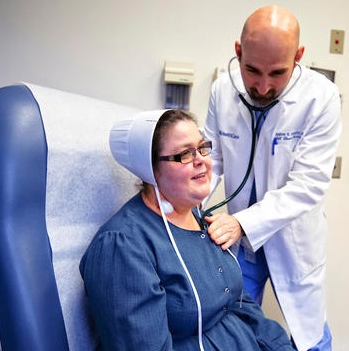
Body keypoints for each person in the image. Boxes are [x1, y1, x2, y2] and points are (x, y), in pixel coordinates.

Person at [79, 109, 294, 351]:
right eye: (184, 154)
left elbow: (241, 305)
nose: (201, 159)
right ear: (150, 168)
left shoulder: (200, 220)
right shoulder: (124, 246)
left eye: (202, 147)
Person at [202, 5, 342, 351]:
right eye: (252, 70)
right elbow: (210, 159)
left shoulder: (320, 98)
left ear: (299, 57)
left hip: (290, 239)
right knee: (233, 328)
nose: (262, 86)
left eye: (277, 73)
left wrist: (241, 222)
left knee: (309, 334)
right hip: (239, 245)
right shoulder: (223, 90)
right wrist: (187, 210)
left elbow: (308, 185)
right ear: (238, 51)